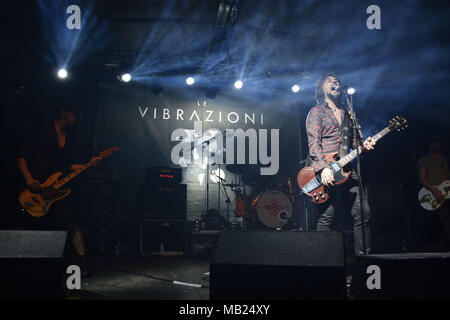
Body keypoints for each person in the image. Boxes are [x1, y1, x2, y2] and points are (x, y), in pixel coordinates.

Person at [17, 106, 100, 277]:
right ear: (64, 112)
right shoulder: (41, 131)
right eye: (74, 114)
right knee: (36, 226)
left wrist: (89, 164)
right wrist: (29, 179)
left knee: (72, 221)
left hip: (57, 188)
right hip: (37, 188)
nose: (76, 119)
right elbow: (21, 156)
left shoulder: (71, 138)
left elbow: (68, 166)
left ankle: (82, 262)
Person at [305, 73, 376, 255]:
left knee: (363, 213)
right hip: (327, 170)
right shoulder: (317, 112)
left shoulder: (348, 113)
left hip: (348, 170)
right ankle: (323, 262)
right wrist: (323, 169)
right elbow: (314, 143)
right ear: (321, 88)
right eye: (329, 80)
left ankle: (364, 259)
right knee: (327, 215)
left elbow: (352, 145)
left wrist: (363, 147)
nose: (334, 82)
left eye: (336, 80)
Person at [418, 136, 450, 251]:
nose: (436, 145)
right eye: (433, 142)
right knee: (443, 222)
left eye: (438, 142)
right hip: (434, 194)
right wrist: (435, 190)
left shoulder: (445, 159)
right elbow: (422, 178)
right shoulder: (425, 159)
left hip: (446, 195)